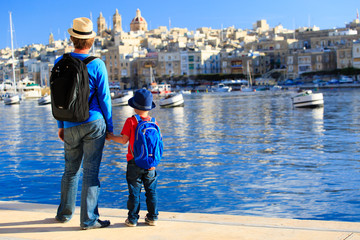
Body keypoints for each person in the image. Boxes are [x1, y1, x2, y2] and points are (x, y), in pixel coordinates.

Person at [55, 17, 113, 230]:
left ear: (72, 39)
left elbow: (58, 97)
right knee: (90, 172)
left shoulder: (60, 63)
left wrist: (61, 125)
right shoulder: (97, 64)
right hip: (93, 123)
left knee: (70, 170)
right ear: (92, 40)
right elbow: (105, 98)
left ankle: (63, 214)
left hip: (69, 124)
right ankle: (88, 219)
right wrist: (110, 127)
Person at [107, 89, 159, 227]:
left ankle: (132, 219)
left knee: (134, 192)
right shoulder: (154, 122)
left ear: (135, 107)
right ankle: (152, 217)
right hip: (151, 165)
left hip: (134, 162)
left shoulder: (131, 121)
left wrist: (111, 137)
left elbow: (124, 140)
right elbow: (157, 145)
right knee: (151, 192)